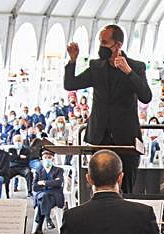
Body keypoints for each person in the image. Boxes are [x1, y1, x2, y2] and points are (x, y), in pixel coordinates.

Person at [64, 24, 152, 192]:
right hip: (99, 137)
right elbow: (70, 84)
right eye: (100, 42)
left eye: (104, 43)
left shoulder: (136, 66)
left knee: (125, 190)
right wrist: (72, 60)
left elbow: (146, 96)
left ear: (117, 45)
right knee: (99, 189)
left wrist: (128, 72)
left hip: (126, 140)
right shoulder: (96, 66)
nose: (101, 47)